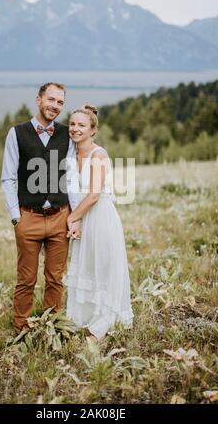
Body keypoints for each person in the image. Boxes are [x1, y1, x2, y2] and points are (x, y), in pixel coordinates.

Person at [1, 82, 73, 333]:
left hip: (60, 216)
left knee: (55, 279)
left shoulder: (67, 134)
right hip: (27, 217)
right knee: (26, 280)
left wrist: (73, 215)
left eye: (60, 102)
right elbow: (8, 177)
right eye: (51, 99)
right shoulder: (17, 133)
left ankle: (50, 327)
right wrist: (15, 217)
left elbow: (73, 176)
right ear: (38, 99)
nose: (55, 106)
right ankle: (20, 330)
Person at [63, 104, 133, 340]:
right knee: (86, 265)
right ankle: (82, 315)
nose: (75, 129)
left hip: (100, 216)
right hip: (83, 217)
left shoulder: (99, 155)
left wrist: (72, 218)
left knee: (102, 266)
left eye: (81, 125)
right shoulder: (71, 154)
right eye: (72, 124)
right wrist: (75, 220)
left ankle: (103, 320)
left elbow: (93, 194)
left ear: (93, 130)